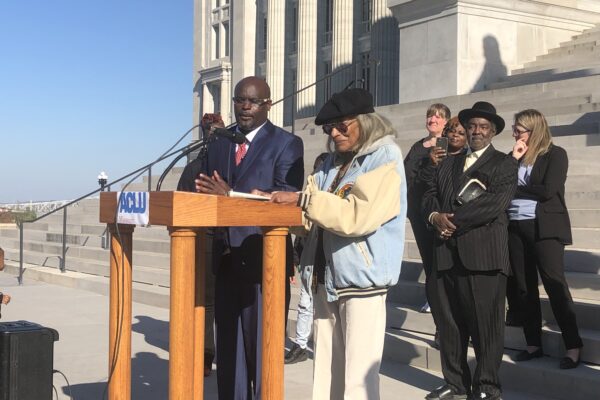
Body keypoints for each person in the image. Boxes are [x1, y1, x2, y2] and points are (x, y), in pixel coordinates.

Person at [268, 88, 407, 400]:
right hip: (324, 278)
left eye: (341, 126)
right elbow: (310, 218)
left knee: (358, 378)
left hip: (361, 281)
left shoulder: (385, 157)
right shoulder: (330, 162)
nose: (334, 133)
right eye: (328, 129)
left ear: (365, 121)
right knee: (328, 371)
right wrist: (272, 207)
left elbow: (357, 217)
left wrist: (304, 200)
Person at [193, 76, 304, 399]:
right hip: (226, 261)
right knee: (228, 353)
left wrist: (232, 196)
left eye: (252, 101)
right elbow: (203, 188)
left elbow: (285, 198)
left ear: (268, 104)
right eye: (239, 100)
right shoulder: (220, 144)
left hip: (262, 263)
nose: (244, 107)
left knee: (261, 352)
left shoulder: (286, 144)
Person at [423, 101, 518, 400]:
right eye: (473, 126)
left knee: (486, 328)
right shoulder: (448, 163)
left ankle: (487, 386)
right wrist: (434, 217)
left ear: (492, 132)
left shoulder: (504, 163)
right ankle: (455, 383)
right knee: (449, 326)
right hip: (445, 255)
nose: (476, 131)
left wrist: (452, 221)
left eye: (483, 127)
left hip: (483, 258)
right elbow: (428, 196)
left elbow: (494, 204)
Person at [506, 109, 583, 369]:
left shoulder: (555, 154)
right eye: (514, 130)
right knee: (524, 286)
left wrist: (515, 188)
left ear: (534, 130)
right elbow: (497, 183)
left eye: (519, 130)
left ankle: (573, 346)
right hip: (515, 226)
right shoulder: (514, 157)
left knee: (554, 284)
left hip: (545, 228)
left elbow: (548, 190)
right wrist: (513, 160)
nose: (515, 134)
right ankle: (533, 344)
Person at [177, 112, 225, 377]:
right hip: (204, 239)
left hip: (228, 239)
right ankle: (206, 356)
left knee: (220, 301)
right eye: (212, 131)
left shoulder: (230, 164)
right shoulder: (196, 167)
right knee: (206, 302)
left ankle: (217, 355)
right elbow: (181, 204)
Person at [403, 104, 450, 314]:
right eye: (430, 115)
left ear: (446, 122)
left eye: (438, 117)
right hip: (417, 209)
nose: (433, 119)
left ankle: (442, 297)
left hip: (438, 208)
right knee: (427, 257)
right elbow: (405, 174)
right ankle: (433, 296)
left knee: (439, 256)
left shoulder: (448, 144)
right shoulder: (417, 146)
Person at [284, 152, 329, 365]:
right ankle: (301, 345)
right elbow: (300, 236)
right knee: (304, 302)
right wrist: (294, 261)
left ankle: (324, 346)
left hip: (328, 262)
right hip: (309, 260)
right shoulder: (309, 198)